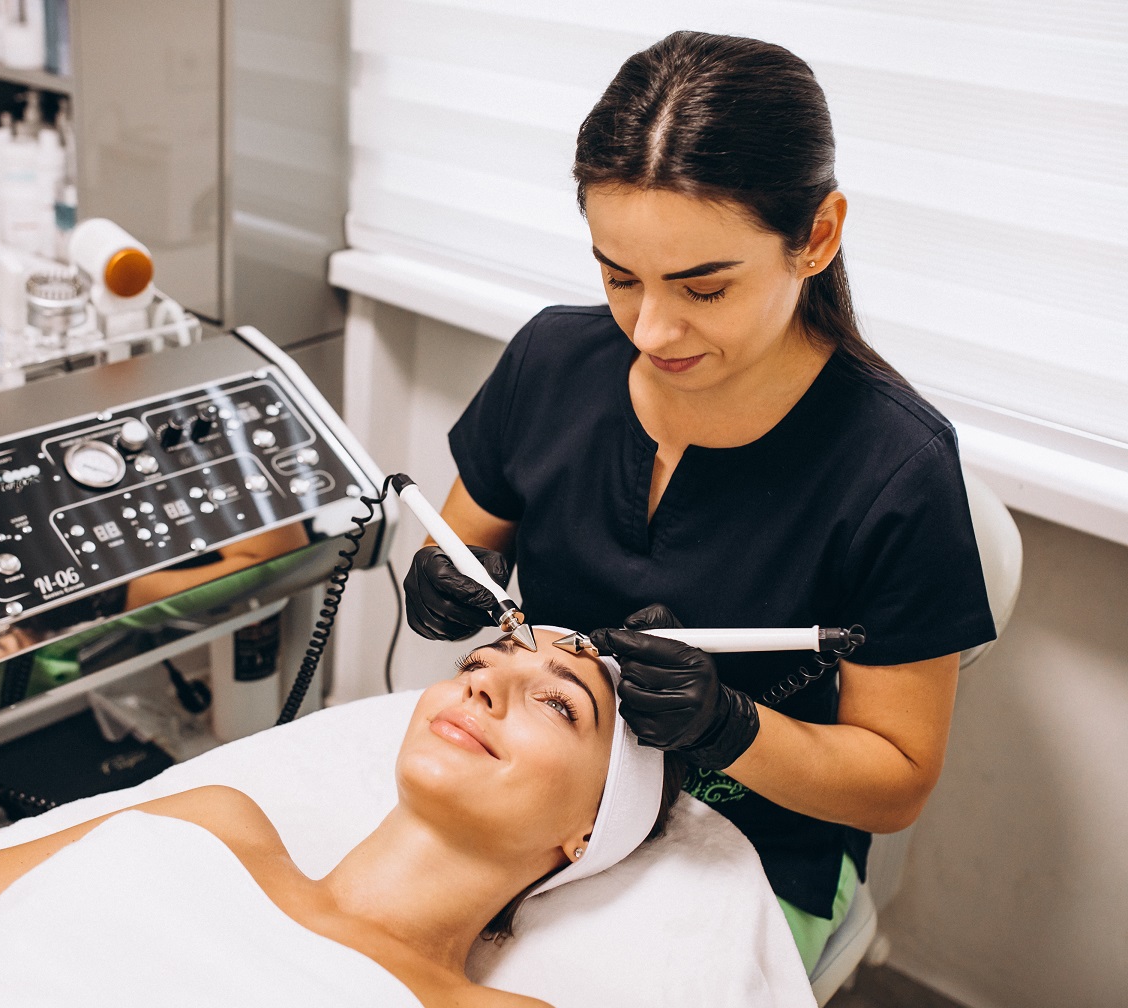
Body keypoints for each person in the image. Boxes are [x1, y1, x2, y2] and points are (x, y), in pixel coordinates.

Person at [401, 30, 996, 972]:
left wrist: (731, 727)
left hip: (755, 851)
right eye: (617, 276)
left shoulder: (896, 468)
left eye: (704, 288)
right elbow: (461, 541)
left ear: (818, 237)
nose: (652, 328)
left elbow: (896, 784)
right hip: (542, 802)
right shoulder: (554, 360)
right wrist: (437, 577)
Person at [0, 628, 681, 1008]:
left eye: (560, 705)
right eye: (485, 659)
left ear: (588, 834)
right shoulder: (217, 824)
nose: (487, 682)